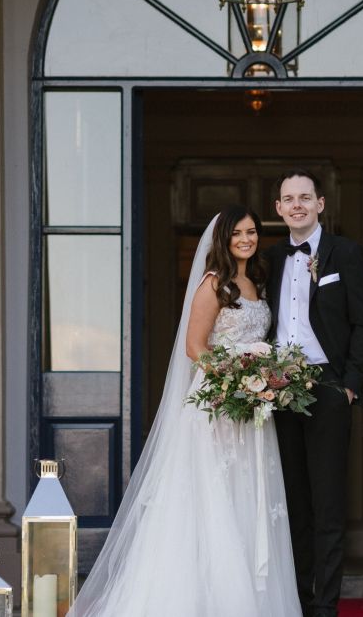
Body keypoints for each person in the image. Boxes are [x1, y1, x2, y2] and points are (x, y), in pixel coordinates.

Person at [67, 204, 302, 617]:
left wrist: (261, 381)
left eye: (252, 232)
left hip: (253, 410)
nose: (246, 239)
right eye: (238, 234)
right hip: (218, 404)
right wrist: (234, 378)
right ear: (224, 240)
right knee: (214, 497)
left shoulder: (256, 282)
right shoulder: (213, 285)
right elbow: (195, 346)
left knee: (248, 496)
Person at [266, 170, 363, 617]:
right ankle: (298, 598)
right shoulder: (270, 259)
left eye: (305, 198)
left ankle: (325, 606)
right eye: (288, 199)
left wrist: (349, 385)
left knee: (329, 504)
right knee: (293, 503)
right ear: (278, 208)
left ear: (321, 204)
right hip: (276, 391)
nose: (297, 205)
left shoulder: (345, 253)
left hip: (328, 388)